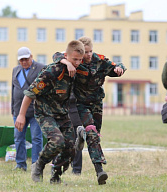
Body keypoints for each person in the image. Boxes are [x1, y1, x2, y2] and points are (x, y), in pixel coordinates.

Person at [53, 36, 126, 185]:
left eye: (90, 51)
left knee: (95, 136)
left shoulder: (99, 60)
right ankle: (99, 170)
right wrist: (67, 63)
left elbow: (117, 65)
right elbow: (56, 56)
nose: (88, 55)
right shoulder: (75, 60)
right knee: (92, 133)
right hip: (81, 104)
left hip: (97, 104)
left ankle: (81, 135)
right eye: (85, 52)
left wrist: (120, 69)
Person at [15, 40, 85, 184]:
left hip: (62, 114)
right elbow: (30, 93)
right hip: (45, 113)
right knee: (57, 141)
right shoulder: (52, 71)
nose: (77, 63)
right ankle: (38, 165)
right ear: (67, 57)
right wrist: (21, 115)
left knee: (71, 148)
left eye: (80, 60)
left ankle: (56, 177)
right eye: (74, 59)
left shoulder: (77, 68)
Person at [11, 47, 45, 171]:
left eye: (26, 59)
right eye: (21, 60)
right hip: (18, 111)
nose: (24, 62)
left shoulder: (41, 68)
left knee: (36, 137)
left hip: (35, 111)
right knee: (18, 137)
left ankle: (36, 165)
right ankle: (20, 164)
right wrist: (13, 110)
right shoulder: (15, 70)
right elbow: (13, 90)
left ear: (31, 56)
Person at [68, 93, 83, 175]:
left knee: (77, 143)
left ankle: (77, 169)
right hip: (62, 115)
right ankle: (56, 166)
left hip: (75, 115)